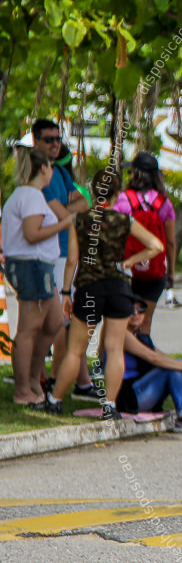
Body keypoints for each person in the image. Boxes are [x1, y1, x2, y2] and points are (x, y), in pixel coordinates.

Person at [50, 169, 165, 419]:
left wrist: (67, 292)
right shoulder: (125, 220)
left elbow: (72, 261)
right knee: (114, 349)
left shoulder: (79, 220)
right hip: (118, 288)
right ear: (117, 193)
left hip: (89, 289)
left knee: (75, 350)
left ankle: (54, 400)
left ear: (92, 191)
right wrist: (128, 262)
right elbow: (156, 246)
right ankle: (110, 407)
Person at [30, 121, 98, 398]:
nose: (55, 144)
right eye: (49, 139)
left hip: (66, 252)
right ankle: (49, 380)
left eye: (58, 139)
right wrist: (70, 212)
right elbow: (66, 213)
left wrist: (68, 211)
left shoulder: (58, 171)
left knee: (65, 322)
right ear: (36, 141)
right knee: (54, 323)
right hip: (48, 255)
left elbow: (83, 205)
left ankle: (75, 381)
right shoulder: (37, 175)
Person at [1, 149, 73, 408]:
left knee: (54, 321)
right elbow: (32, 234)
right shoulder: (31, 196)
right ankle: (23, 389)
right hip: (31, 266)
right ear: (44, 169)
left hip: (39, 266)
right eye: (50, 167)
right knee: (28, 329)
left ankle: (33, 378)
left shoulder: (30, 196)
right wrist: (65, 224)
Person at [114, 293, 182, 432]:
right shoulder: (122, 335)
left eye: (140, 310)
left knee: (177, 365)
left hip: (143, 390)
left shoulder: (142, 337)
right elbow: (152, 358)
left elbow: (162, 356)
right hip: (129, 396)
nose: (136, 313)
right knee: (172, 369)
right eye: (131, 310)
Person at [113, 152, 180, 335]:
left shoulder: (123, 199)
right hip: (154, 271)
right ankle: (142, 360)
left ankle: (108, 359)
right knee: (145, 322)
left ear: (135, 173)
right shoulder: (164, 203)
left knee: (120, 320)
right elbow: (171, 242)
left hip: (127, 269)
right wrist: (171, 272)